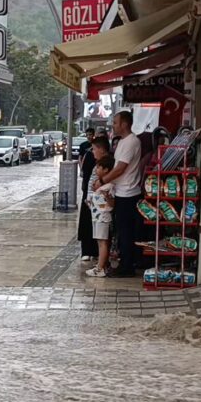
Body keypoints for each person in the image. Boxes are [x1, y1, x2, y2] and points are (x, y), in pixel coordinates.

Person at [99, 110, 143, 277]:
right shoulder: (123, 142)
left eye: (116, 122)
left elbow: (120, 169)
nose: (113, 125)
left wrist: (103, 181)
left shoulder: (132, 142)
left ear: (124, 124)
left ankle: (127, 267)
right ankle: (125, 263)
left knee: (126, 232)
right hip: (121, 191)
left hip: (128, 193)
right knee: (121, 230)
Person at [85, 156, 115, 278]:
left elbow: (112, 203)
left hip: (103, 217)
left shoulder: (109, 186)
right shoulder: (99, 185)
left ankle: (100, 268)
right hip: (96, 217)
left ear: (106, 170)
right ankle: (101, 265)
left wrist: (107, 196)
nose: (96, 169)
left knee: (103, 242)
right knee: (100, 242)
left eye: (98, 167)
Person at [76, 128, 99, 261]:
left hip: (101, 195)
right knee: (87, 221)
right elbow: (83, 165)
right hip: (88, 193)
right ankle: (87, 250)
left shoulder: (107, 159)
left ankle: (97, 251)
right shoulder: (87, 151)